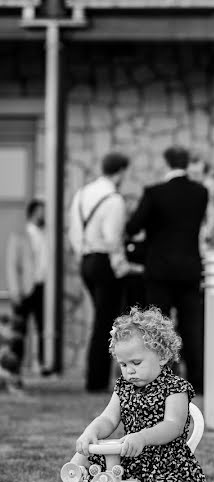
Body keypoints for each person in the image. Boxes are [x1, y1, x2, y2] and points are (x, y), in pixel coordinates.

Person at [72, 307, 214, 482]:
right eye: (123, 364)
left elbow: (173, 425)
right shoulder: (123, 388)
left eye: (136, 363)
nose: (129, 371)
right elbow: (108, 418)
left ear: (161, 356)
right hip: (131, 462)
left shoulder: (175, 388)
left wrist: (142, 437)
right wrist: (91, 431)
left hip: (167, 466)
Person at [127, 146, 208, 393]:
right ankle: (198, 381)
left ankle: (164, 379)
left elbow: (133, 226)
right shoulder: (200, 193)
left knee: (159, 328)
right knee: (192, 327)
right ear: (186, 163)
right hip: (190, 269)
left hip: (159, 270)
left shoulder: (154, 193)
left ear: (167, 163)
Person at [68, 152, 131, 392]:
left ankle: (96, 379)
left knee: (101, 321)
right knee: (106, 323)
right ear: (120, 171)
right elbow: (113, 238)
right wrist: (121, 267)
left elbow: (74, 232)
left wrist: (82, 254)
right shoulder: (114, 199)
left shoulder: (81, 194)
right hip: (104, 263)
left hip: (85, 260)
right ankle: (96, 381)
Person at [6, 199, 49, 379]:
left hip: (43, 287)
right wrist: (15, 290)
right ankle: (15, 367)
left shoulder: (46, 234)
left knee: (42, 328)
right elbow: (11, 265)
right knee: (19, 330)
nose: (44, 214)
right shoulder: (20, 235)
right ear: (33, 212)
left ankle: (41, 364)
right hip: (25, 289)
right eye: (41, 211)